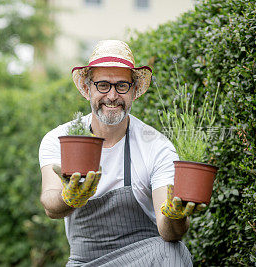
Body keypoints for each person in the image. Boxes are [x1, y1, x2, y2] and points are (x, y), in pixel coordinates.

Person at [39, 40, 206, 266]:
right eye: (103, 85)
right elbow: (50, 203)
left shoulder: (156, 146)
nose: (112, 95)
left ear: (134, 90)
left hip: (145, 259)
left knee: (173, 252)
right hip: (85, 262)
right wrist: (68, 197)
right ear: (88, 89)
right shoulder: (60, 139)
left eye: (122, 86)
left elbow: (170, 233)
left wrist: (176, 217)